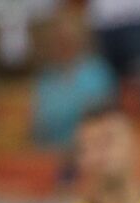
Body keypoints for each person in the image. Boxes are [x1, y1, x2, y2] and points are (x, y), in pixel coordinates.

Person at [32, 9, 117, 149]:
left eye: (66, 38)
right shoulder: (46, 78)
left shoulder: (97, 72)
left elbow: (103, 118)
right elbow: (38, 125)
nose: (61, 44)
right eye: (57, 39)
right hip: (49, 153)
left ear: (79, 39)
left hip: (89, 151)